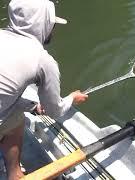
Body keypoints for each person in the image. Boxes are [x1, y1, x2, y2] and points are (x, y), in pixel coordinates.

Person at [0, 0, 88, 179]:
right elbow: (54, 111)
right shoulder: (43, 60)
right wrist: (71, 98)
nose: (53, 28)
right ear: (42, 22)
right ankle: (14, 174)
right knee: (17, 120)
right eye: (52, 23)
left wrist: (32, 106)